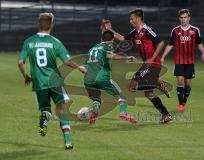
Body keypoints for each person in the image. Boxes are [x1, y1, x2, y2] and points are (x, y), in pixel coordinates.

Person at [18, 12, 87, 150]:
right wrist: (79, 67)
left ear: (38, 25)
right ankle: (68, 144)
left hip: (39, 83)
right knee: (62, 109)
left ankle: (45, 117)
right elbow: (67, 61)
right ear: (52, 26)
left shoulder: (29, 41)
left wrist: (26, 75)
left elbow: (20, 62)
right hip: (55, 81)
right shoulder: (55, 42)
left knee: (46, 110)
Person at [104, 8, 173, 124]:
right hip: (146, 64)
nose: (130, 21)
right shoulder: (135, 33)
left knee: (132, 85)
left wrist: (152, 58)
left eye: (132, 19)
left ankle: (157, 83)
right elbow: (121, 38)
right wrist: (109, 29)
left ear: (138, 18)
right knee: (148, 93)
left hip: (153, 64)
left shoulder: (147, 30)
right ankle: (166, 114)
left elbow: (161, 43)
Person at [84, 30, 137, 124]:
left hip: (88, 79)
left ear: (101, 38)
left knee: (96, 98)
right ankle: (123, 113)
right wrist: (127, 58)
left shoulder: (92, 48)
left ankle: (95, 112)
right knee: (121, 96)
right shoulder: (107, 46)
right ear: (112, 40)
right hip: (101, 77)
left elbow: (86, 66)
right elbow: (110, 55)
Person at [161, 9, 204, 111]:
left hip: (190, 61)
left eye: (185, 17)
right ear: (179, 19)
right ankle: (181, 104)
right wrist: (163, 56)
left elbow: (199, 43)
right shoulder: (175, 31)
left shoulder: (195, 30)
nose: (183, 19)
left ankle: (184, 100)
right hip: (179, 60)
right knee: (180, 81)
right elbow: (170, 44)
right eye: (181, 18)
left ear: (189, 18)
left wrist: (203, 52)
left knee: (188, 85)